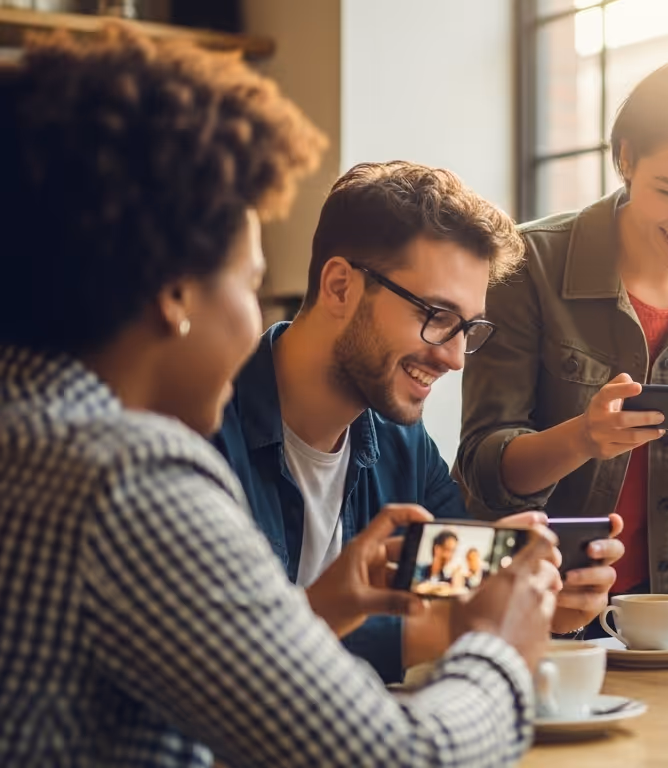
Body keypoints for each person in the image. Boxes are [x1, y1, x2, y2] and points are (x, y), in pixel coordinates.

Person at [0, 27, 562, 767]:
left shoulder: (29, 429)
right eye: (247, 282)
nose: (255, 315)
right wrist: (496, 649)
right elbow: (393, 760)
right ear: (176, 294)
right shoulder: (128, 478)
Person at [213, 160, 624, 681]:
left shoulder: (403, 443)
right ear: (340, 287)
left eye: (468, 329)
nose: (455, 358)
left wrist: (545, 604)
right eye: (435, 317)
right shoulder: (199, 432)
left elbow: (461, 592)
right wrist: (448, 630)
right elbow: (219, 661)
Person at [457, 59, 668, 601]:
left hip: (658, 616)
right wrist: (582, 437)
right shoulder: (529, 263)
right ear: (627, 157)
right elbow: (483, 470)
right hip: (527, 601)